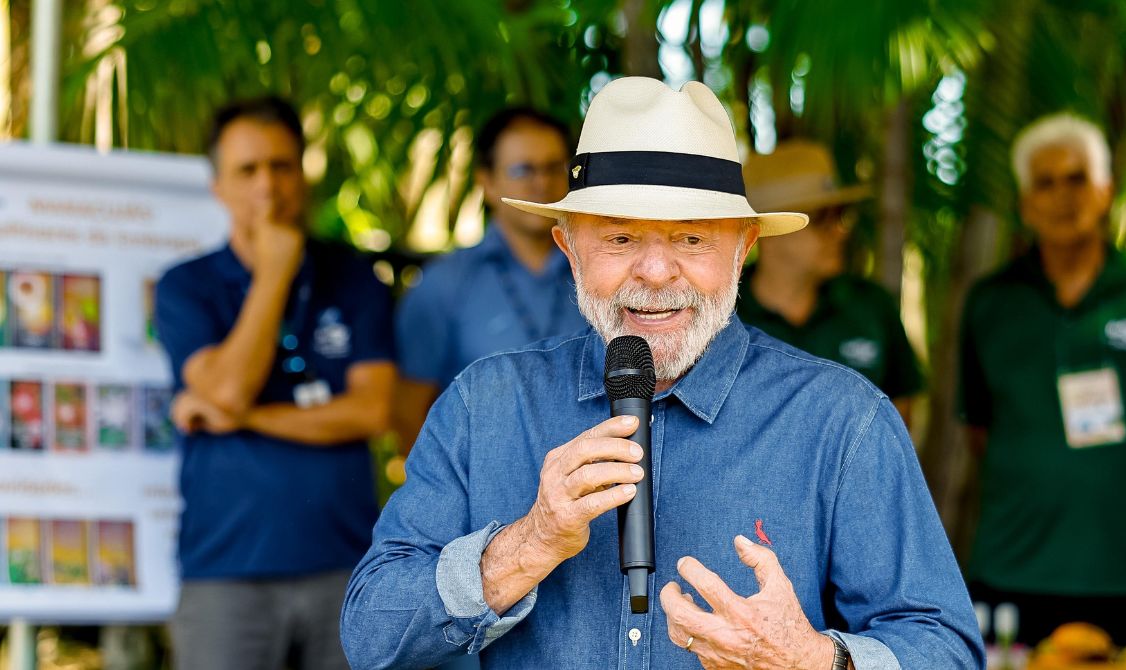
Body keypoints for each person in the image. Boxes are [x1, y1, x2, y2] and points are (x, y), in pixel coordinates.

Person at [341, 77, 984, 670]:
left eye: (691, 239)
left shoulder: (843, 420)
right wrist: (527, 544)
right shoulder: (486, 404)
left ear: (743, 248)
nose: (654, 273)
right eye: (620, 239)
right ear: (569, 248)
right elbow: (370, 635)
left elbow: (948, 649)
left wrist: (817, 661)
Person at [155, 96, 397, 670]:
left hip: (346, 566)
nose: (267, 184)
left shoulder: (354, 276)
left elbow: (370, 412)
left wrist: (244, 418)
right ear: (217, 185)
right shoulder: (186, 286)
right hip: (226, 572)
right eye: (247, 169)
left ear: (303, 172)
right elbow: (228, 387)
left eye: (282, 165)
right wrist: (274, 271)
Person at [959, 112, 1126, 646]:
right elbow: (980, 429)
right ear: (1024, 204)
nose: (1063, 197)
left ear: (1107, 190)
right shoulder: (990, 303)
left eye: (1077, 179)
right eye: (1045, 183)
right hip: (1012, 569)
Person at [393, 107, 588, 446]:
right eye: (522, 169)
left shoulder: (602, 272)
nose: (541, 182)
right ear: (486, 181)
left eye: (554, 167)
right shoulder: (444, 284)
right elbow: (407, 413)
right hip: (484, 494)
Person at [739, 141, 923, 427]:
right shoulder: (721, 317)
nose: (841, 230)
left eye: (841, 214)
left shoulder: (872, 307)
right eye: (823, 217)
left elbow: (899, 422)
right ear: (769, 230)